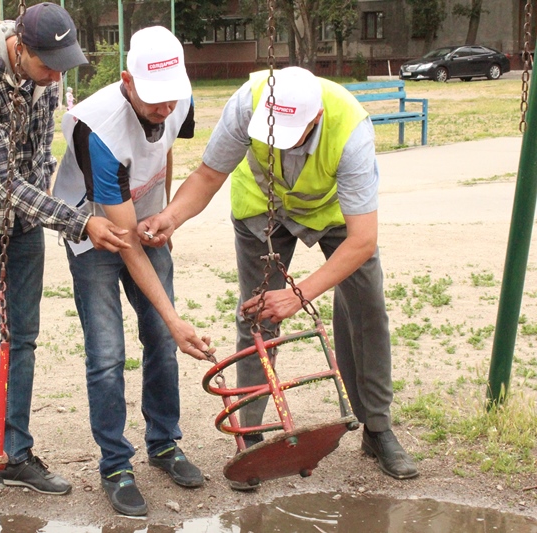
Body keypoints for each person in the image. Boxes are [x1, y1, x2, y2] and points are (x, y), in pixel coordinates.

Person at [138, 66, 419, 488]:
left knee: (367, 309)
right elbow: (209, 175)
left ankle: (377, 428)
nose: (277, 144)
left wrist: (298, 295)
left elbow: (362, 240)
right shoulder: (246, 104)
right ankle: (252, 436)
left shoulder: (350, 130)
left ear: (315, 119)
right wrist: (170, 217)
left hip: (332, 214)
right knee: (257, 316)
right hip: (261, 207)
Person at [0, 2, 130, 507]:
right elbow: (1, 182)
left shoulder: (46, 78)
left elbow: (39, 157)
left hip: (22, 223)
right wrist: (78, 221)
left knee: (23, 339)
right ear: (20, 47)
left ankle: (12, 454)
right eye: (48, 65)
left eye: (62, 66)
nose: (56, 76)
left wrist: (43, 211)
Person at [52, 26, 213, 516]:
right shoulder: (97, 129)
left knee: (161, 340)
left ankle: (163, 444)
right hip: (95, 230)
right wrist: (175, 318)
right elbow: (125, 246)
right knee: (107, 353)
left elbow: (164, 150)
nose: (166, 107)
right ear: (127, 81)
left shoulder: (176, 99)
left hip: (139, 216)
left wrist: (163, 215)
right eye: (154, 97)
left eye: (172, 96)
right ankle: (115, 466)